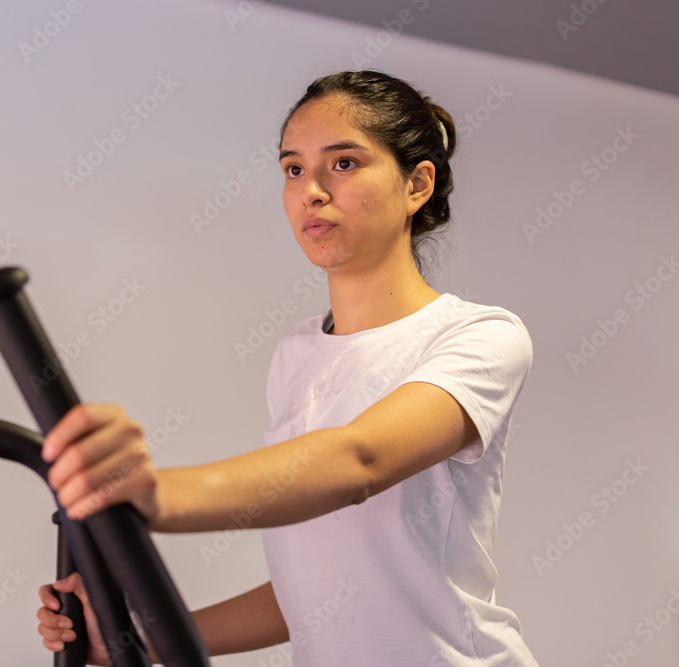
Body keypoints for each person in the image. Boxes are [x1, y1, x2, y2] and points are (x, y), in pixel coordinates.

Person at [35, 70, 538, 665]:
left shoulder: (481, 337)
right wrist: (131, 639)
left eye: (344, 163)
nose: (311, 191)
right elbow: (313, 590)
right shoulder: (296, 353)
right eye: (293, 169)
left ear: (417, 184)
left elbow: (358, 461)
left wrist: (158, 495)